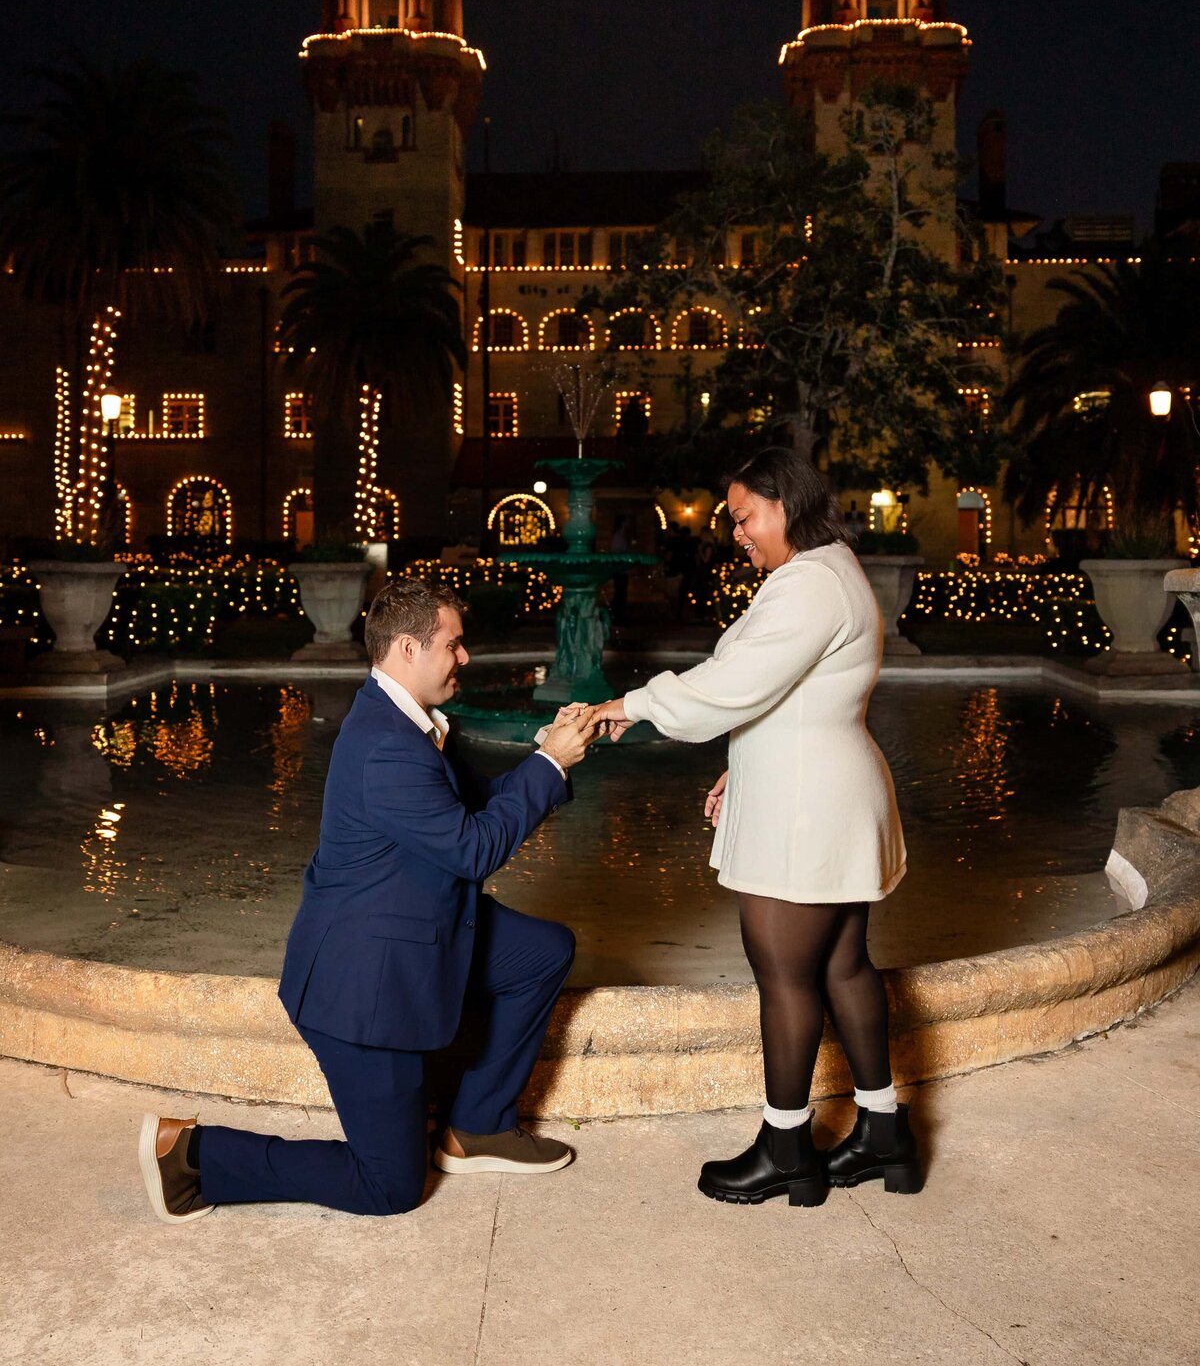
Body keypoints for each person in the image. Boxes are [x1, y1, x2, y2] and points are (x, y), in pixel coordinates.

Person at [138, 576, 599, 1224]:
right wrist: (548, 767)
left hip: (412, 931)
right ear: (409, 649)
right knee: (390, 1187)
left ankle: (477, 1126)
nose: (464, 658)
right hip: (363, 990)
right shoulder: (387, 746)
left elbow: (472, 809)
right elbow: (473, 850)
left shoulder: (409, 723)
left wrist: (546, 757)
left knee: (541, 951)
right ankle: (192, 1155)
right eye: (454, 645)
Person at [593, 447, 917, 1208]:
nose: (735, 532)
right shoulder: (832, 568)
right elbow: (798, 689)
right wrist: (748, 762)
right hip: (826, 784)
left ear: (784, 503)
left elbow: (734, 685)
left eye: (743, 517)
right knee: (843, 967)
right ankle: (883, 1133)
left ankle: (787, 1152)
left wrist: (631, 704)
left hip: (807, 809)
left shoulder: (806, 585)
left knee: (786, 978)